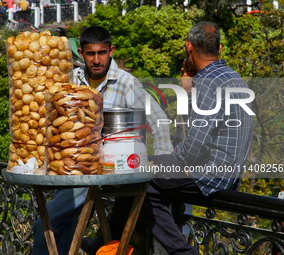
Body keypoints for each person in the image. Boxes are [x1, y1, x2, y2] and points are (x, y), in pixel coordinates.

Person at [104, 21, 254, 255]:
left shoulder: (208, 82)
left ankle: (175, 252)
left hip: (210, 174)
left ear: (188, 48)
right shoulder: (233, 78)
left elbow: (196, 146)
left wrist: (171, 157)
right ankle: (112, 242)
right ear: (220, 49)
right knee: (141, 170)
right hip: (230, 173)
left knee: (137, 179)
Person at [31, 26, 173, 255]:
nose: (97, 60)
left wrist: (162, 162)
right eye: (90, 54)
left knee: (45, 227)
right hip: (73, 170)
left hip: (105, 173)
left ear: (111, 51)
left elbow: (159, 120)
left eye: (102, 53)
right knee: (63, 228)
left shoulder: (126, 83)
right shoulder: (73, 80)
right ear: (81, 52)